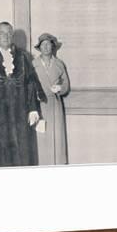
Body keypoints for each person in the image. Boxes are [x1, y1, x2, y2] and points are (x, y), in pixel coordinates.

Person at [0, 22, 47, 167]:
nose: (6, 36)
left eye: (9, 33)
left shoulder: (22, 57)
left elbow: (30, 83)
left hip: (19, 116)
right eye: (2, 33)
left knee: (21, 154)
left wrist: (33, 109)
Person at [32, 33, 70, 165]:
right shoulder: (33, 65)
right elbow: (28, 86)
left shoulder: (59, 64)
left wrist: (60, 88)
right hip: (40, 105)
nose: (46, 47)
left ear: (53, 47)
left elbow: (66, 85)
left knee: (56, 139)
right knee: (41, 138)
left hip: (55, 105)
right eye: (43, 44)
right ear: (39, 47)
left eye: (49, 44)